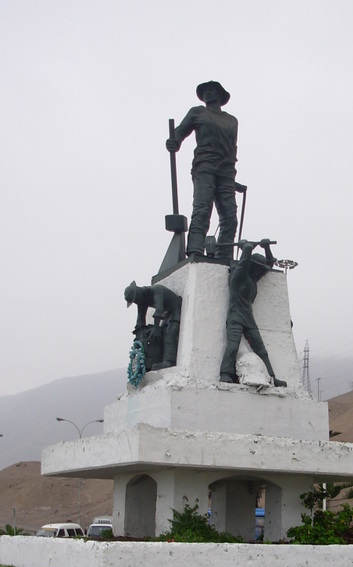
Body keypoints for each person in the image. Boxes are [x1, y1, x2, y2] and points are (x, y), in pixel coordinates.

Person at [166, 81, 238, 259]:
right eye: (205, 91)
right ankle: (195, 250)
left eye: (212, 90)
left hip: (227, 171)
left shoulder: (232, 121)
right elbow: (179, 133)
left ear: (221, 95)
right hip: (204, 166)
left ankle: (224, 255)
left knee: (230, 217)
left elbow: (231, 148)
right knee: (202, 209)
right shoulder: (198, 112)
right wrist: (174, 140)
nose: (208, 93)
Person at [219, 240, 287, 387]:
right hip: (235, 316)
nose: (259, 270)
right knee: (233, 346)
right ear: (251, 265)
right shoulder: (238, 276)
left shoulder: (252, 278)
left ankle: (272, 377)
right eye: (257, 267)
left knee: (261, 349)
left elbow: (269, 264)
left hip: (248, 317)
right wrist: (247, 247)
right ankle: (225, 373)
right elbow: (244, 261)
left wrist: (266, 247)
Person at [124, 281, 182, 368]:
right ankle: (159, 359)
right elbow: (140, 320)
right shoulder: (142, 301)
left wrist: (156, 328)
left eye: (135, 300)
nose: (136, 302)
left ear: (138, 293)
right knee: (158, 336)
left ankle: (169, 361)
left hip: (174, 310)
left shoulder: (156, 290)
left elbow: (159, 310)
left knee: (169, 334)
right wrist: (139, 336)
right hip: (166, 314)